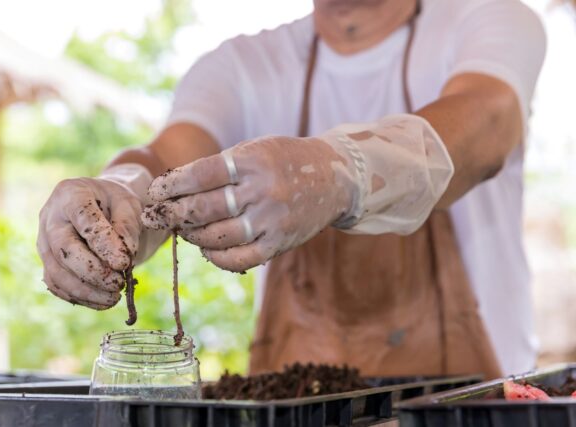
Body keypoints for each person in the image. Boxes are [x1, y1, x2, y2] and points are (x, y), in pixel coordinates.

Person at [37, 0, 546, 378]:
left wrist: (338, 172)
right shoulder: (243, 66)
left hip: (473, 405)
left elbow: (487, 123)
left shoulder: (488, 21)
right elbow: (165, 165)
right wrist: (114, 193)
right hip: (295, 404)